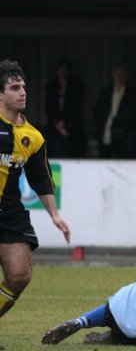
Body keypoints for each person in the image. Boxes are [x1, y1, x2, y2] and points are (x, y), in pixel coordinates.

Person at [0, 59, 71, 320]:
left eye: (23, 87)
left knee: (19, 275)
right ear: (1, 94)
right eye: (15, 88)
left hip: (10, 212)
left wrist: (55, 215)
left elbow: (40, 178)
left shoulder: (33, 137)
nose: (22, 92)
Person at [93, 63, 136, 159]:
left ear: (125, 76)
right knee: (104, 159)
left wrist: (130, 131)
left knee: (121, 159)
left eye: (121, 74)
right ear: (112, 76)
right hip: (106, 133)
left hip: (123, 136)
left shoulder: (132, 94)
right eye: (116, 74)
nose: (119, 77)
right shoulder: (106, 93)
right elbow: (98, 112)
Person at [44, 58, 87, 158]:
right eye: (60, 70)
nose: (63, 73)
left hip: (73, 126)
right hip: (54, 127)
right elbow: (49, 108)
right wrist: (57, 123)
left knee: (72, 150)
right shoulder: (51, 87)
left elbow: (77, 107)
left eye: (65, 70)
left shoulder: (76, 87)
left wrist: (65, 123)